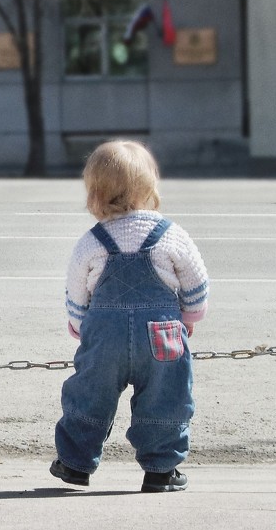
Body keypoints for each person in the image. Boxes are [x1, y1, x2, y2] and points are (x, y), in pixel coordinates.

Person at [50, 139, 209, 493]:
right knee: (166, 398)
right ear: (150, 185)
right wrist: (190, 317)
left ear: (93, 191)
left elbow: (76, 297)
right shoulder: (171, 235)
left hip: (105, 337)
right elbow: (197, 284)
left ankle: (75, 463)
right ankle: (161, 470)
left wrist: (80, 327)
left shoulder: (91, 243)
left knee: (89, 395)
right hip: (163, 335)